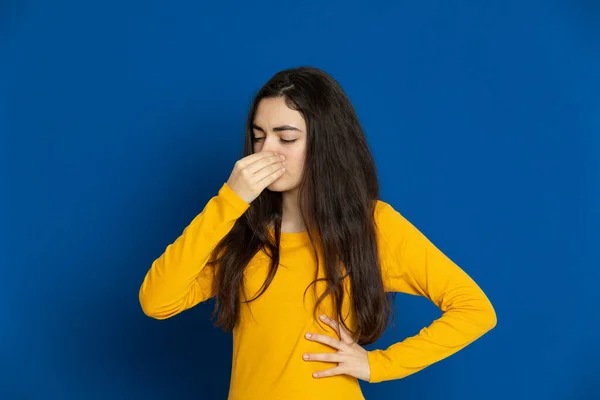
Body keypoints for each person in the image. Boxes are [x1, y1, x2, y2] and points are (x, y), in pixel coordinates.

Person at [138, 66, 497, 399]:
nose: (267, 151)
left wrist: (378, 365)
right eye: (259, 136)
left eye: (286, 138)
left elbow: (474, 309)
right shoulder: (243, 234)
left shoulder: (371, 226)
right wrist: (229, 200)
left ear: (324, 143)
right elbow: (156, 301)